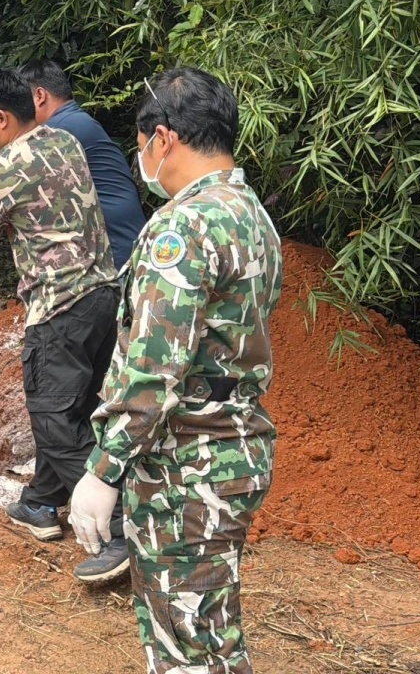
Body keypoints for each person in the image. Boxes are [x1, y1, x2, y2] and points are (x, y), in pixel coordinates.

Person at [69, 67, 283, 674]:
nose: (142, 158)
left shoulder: (183, 225)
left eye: (141, 145)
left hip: (185, 465)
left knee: (187, 647)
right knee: (208, 633)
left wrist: (104, 469)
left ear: (163, 139)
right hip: (231, 449)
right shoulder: (250, 214)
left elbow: (154, 370)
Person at [0, 67, 128, 581]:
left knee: (55, 421)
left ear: (2, 118)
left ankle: (121, 529)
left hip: (60, 308)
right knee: (78, 408)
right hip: (105, 297)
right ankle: (40, 501)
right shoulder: (65, 141)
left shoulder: (0, 172)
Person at [18, 59, 147, 268]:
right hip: (123, 240)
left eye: (21, 104)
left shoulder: (58, 131)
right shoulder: (76, 120)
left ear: (40, 96)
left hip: (115, 247)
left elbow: (14, 176)